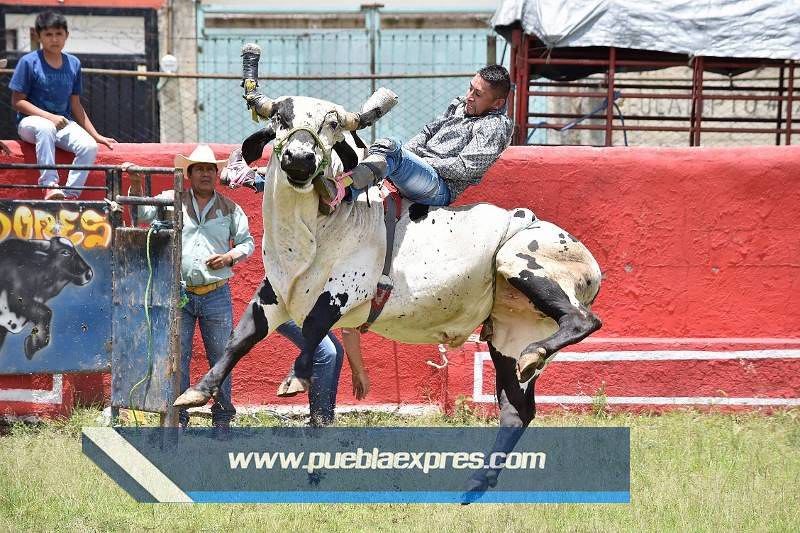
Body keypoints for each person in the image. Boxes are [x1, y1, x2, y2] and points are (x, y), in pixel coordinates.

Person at [124, 145, 254, 429]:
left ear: (216, 174)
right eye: (199, 169)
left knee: (221, 358)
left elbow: (248, 243)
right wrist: (135, 184)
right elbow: (142, 214)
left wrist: (230, 257)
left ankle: (222, 420)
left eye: (210, 169)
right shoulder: (173, 199)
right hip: (179, 295)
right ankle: (179, 418)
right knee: (177, 360)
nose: (205, 174)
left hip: (216, 294)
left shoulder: (230, 208)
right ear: (189, 174)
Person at [350, 64, 513, 206]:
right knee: (380, 149)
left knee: (391, 149)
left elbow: (464, 168)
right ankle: (346, 185)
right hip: (420, 171)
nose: (469, 97)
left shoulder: (494, 125)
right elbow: (428, 132)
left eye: (478, 94)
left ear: (497, 103)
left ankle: (345, 192)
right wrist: (407, 154)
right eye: (470, 88)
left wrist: (421, 160)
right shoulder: (459, 104)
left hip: (439, 187)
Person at [9, 11, 116, 200]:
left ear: (67, 35)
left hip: (62, 124)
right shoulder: (28, 62)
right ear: (39, 36)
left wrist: (96, 135)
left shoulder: (73, 64)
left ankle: (69, 196)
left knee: (89, 147)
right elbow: (17, 102)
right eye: (48, 34)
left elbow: (76, 104)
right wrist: (49, 117)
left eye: (59, 34)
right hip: (30, 125)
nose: (54, 39)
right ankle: (49, 185)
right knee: (46, 127)